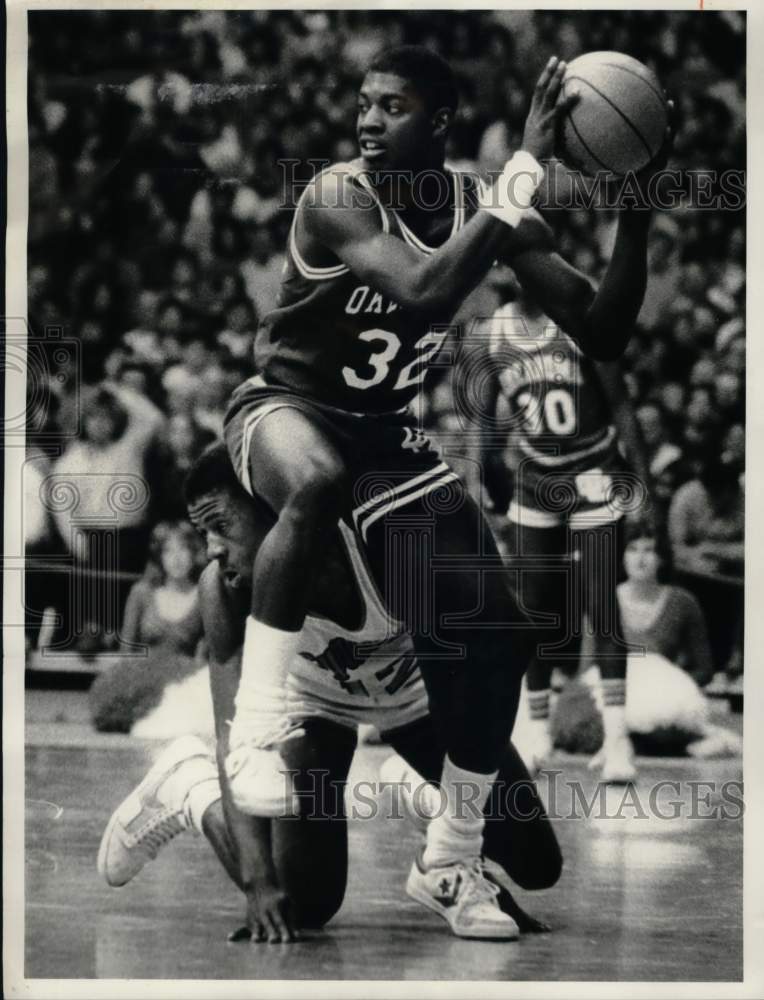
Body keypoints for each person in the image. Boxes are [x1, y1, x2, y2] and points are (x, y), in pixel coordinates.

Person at [222, 45, 665, 928]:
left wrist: (637, 211)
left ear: (440, 122)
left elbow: (605, 331)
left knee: (498, 631)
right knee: (309, 484)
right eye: (363, 103)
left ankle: (453, 856)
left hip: (386, 440)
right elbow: (425, 288)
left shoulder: (477, 201)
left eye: (391, 106)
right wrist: (527, 169)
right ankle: (251, 736)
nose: (367, 121)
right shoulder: (337, 195)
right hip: (286, 407)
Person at [97, 444, 562, 942]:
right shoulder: (225, 588)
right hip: (310, 707)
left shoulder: (385, 544)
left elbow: (491, 667)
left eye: (222, 527)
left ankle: (425, 798)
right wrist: (256, 881)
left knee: (538, 864)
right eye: (204, 532)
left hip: (418, 697)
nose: (212, 549)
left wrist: (460, 847)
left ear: (276, 511)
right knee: (305, 903)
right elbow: (238, 739)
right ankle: (189, 787)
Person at [479, 282, 652, 782]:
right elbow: (483, 426)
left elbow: (620, 405)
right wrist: (486, 477)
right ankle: (536, 731)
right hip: (535, 475)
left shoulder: (581, 316)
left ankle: (617, 738)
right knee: (530, 609)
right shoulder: (492, 334)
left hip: (594, 466)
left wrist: (642, 489)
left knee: (601, 602)